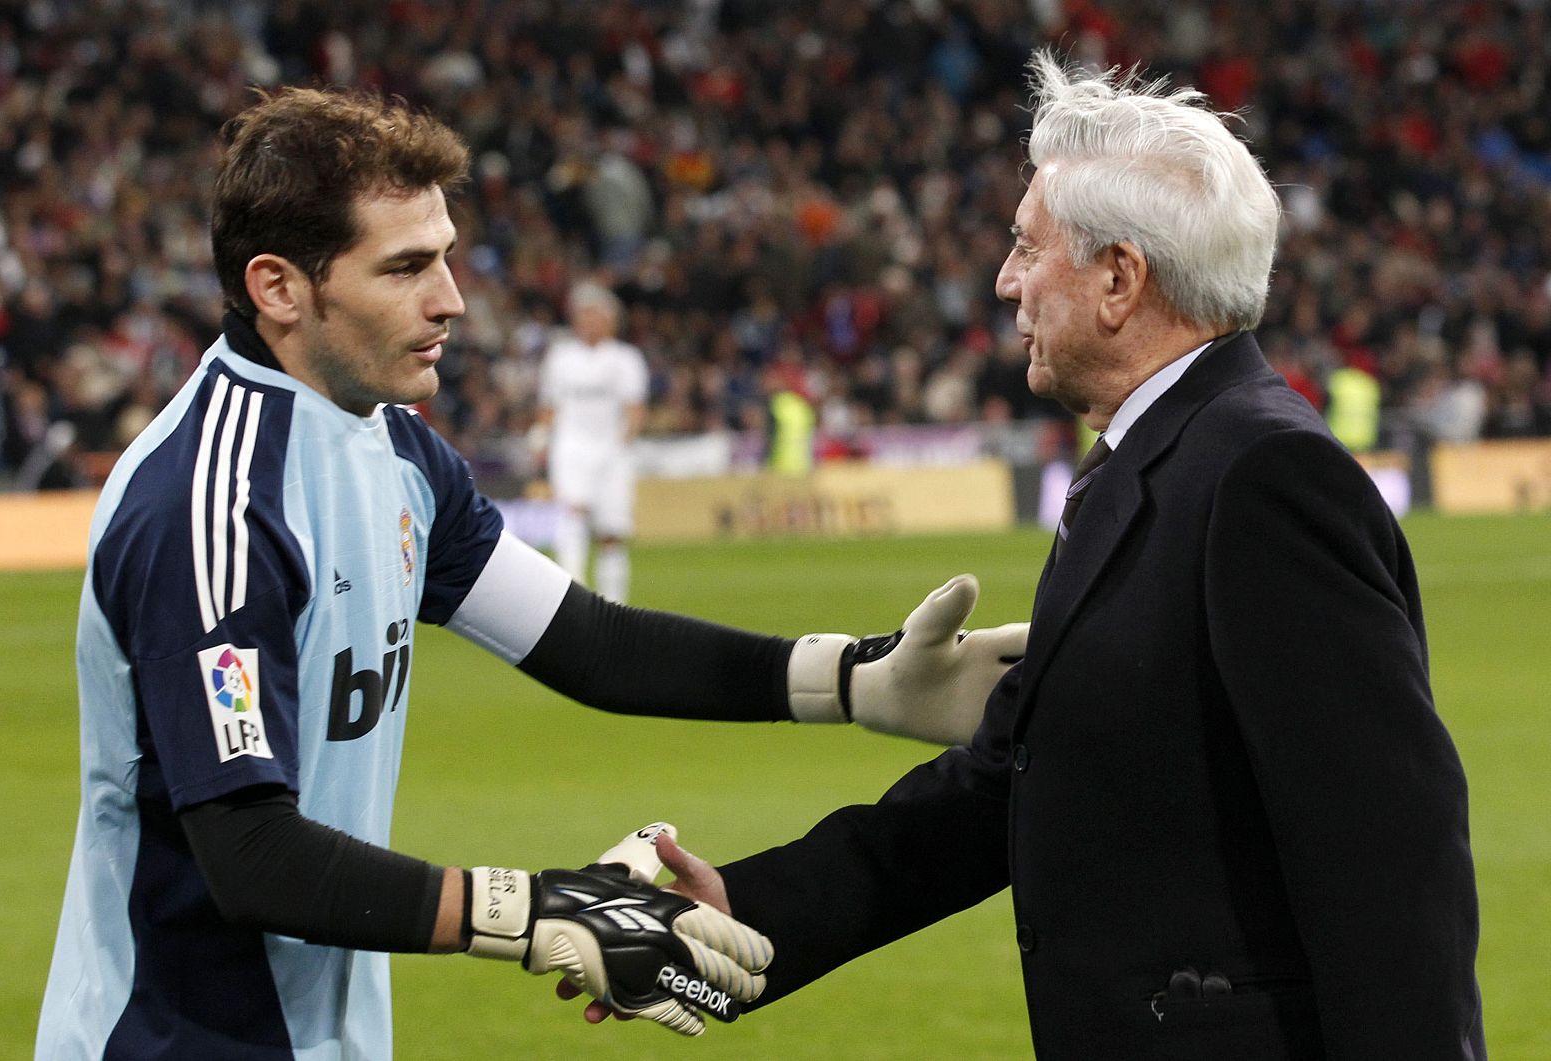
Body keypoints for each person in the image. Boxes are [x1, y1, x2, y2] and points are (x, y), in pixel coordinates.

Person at [34, 87, 1029, 1059]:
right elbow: (249, 855)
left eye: (448, 259)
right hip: (167, 1034)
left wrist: (849, 678)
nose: (451, 299)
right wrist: (531, 908)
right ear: (278, 287)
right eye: (405, 267)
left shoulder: (395, 453)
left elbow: (587, 640)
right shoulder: (211, 508)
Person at [623, 53, 1487, 1058]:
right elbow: (1002, 785)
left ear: (1119, 279)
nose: (1004, 281)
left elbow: (1386, 848)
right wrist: (744, 906)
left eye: (1026, 247)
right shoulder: (1143, 463)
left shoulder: (1262, 476)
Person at [530, 282, 647, 603]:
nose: (589, 322)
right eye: (584, 315)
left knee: (612, 532)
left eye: (596, 314)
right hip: (571, 449)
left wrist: (620, 446)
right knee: (571, 519)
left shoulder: (626, 359)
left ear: (611, 319)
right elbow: (549, 407)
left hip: (612, 452)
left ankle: (614, 604)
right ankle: (574, 599)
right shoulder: (561, 357)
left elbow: (634, 410)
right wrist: (540, 438)